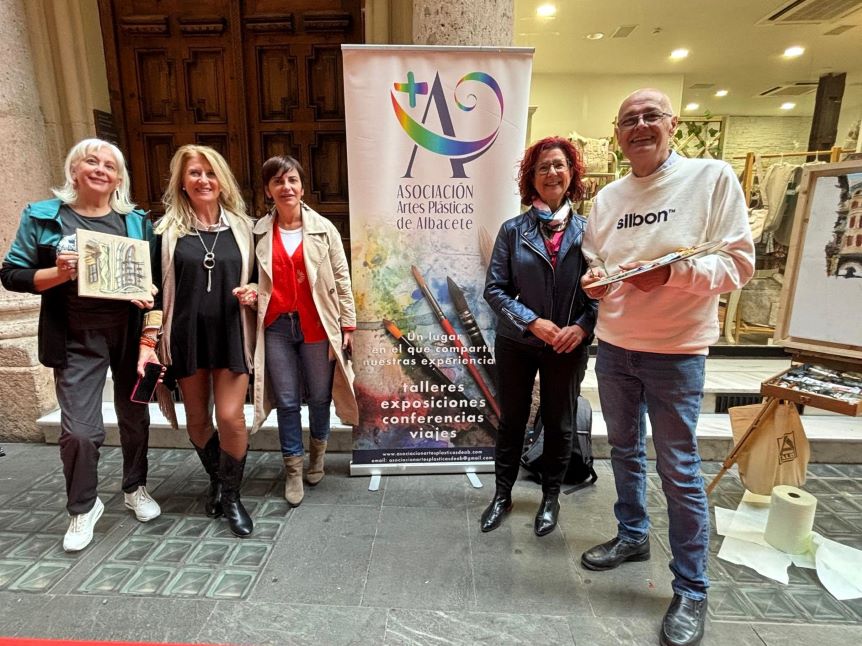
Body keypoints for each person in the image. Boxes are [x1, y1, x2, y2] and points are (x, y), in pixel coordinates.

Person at [579, 89, 755, 646]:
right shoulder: (608, 197)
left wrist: (672, 275)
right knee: (624, 451)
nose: (639, 127)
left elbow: (739, 264)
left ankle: (692, 588)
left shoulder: (711, 178)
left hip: (677, 351)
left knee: (678, 469)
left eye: (650, 116)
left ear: (672, 124)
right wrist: (595, 282)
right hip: (614, 347)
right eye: (628, 119)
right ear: (617, 133)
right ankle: (632, 534)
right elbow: (596, 260)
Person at [1, 138, 161, 552]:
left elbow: (154, 283)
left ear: (119, 179)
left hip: (128, 335)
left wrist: (149, 322)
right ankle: (83, 506)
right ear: (74, 170)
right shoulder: (43, 216)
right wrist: (58, 273)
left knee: (135, 416)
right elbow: (12, 274)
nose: (101, 169)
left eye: (110, 165)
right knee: (79, 432)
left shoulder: (136, 221)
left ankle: (135, 487)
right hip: (74, 336)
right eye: (92, 161)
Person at [139, 144, 258, 537]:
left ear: (222, 181)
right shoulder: (164, 233)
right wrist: (149, 340)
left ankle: (232, 497)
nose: (203, 180)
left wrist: (256, 291)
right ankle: (218, 481)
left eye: (210, 173)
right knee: (197, 420)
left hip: (231, 334)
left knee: (231, 416)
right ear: (182, 182)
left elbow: (263, 279)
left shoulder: (246, 229)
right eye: (194, 173)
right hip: (185, 336)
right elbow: (153, 292)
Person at [481, 136, 597, 537]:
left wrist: (582, 327)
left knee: (560, 423)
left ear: (571, 174)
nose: (552, 173)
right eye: (543, 166)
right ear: (531, 177)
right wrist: (532, 322)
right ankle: (502, 495)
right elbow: (494, 290)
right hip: (517, 343)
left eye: (559, 165)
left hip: (567, 344)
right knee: (511, 421)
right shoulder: (513, 231)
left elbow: (602, 291)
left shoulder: (589, 232)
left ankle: (550, 498)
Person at [251, 155, 358, 507]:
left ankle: (317, 456)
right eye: (278, 181)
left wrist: (347, 325)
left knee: (320, 396)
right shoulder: (258, 232)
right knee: (286, 401)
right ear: (268, 190)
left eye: (292, 180)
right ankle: (293, 469)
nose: (286, 187)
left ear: (301, 186)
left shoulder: (324, 229)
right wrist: (249, 290)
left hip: (317, 325)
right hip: (277, 327)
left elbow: (342, 277)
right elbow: (250, 276)